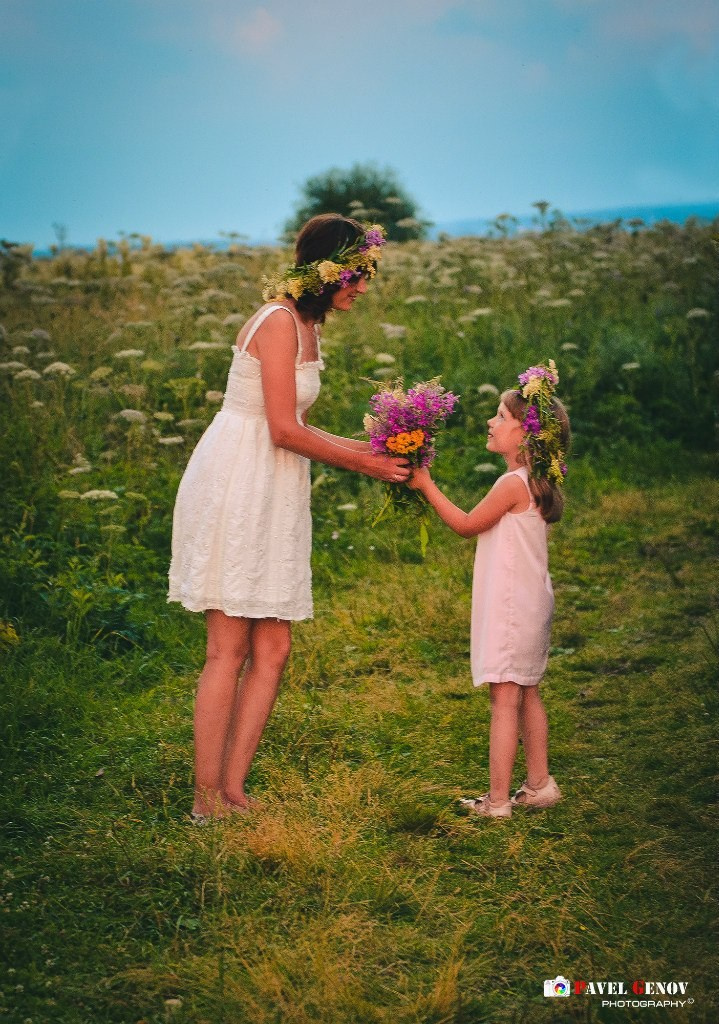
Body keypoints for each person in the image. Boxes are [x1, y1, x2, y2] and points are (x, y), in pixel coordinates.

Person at [168, 214, 410, 821]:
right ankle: (204, 801)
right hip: (238, 483)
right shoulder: (277, 322)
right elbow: (280, 430)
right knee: (228, 646)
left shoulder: (309, 325)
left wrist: (371, 449)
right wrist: (366, 469)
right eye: (357, 276)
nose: (361, 288)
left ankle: (232, 790)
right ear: (328, 271)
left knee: (273, 647)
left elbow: (295, 426)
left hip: (274, 486)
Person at [408, 361, 570, 818]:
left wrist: (424, 483)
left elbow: (464, 525)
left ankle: (497, 801)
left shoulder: (510, 485)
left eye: (501, 417)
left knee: (504, 697)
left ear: (525, 435)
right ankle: (539, 783)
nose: (490, 422)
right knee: (528, 691)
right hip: (532, 603)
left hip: (511, 608)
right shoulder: (538, 481)